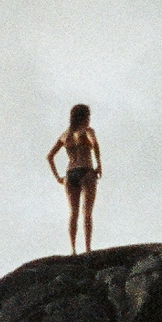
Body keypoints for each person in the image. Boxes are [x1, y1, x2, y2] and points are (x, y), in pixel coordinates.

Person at [47, 104, 102, 254]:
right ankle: (88, 248)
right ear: (84, 117)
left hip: (70, 173)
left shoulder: (65, 135)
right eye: (88, 116)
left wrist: (59, 177)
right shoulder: (87, 131)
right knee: (87, 212)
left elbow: (50, 156)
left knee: (73, 213)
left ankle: (73, 249)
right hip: (86, 171)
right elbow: (95, 144)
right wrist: (99, 165)